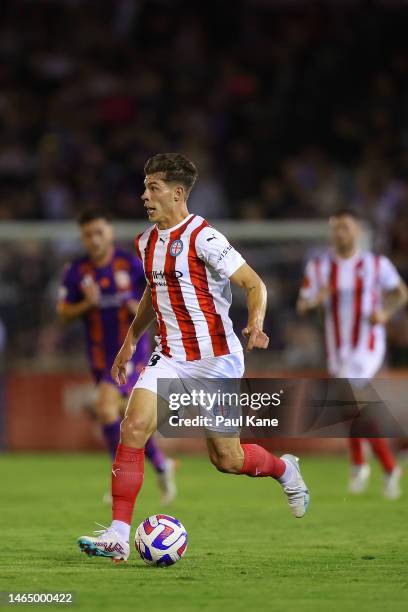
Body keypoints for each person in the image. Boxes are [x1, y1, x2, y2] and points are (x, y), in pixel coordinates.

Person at [77, 153, 310, 563]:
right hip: (169, 356)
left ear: (178, 193)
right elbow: (155, 290)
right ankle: (117, 533)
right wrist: (131, 339)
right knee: (132, 428)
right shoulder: (145, 242)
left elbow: (254, 284)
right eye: (145, 187)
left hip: (216, 360)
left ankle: (284, 470)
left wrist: (255, 324)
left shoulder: (205, 237)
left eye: (154, 188)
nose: (144, 196)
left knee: (227, 459)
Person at [57, 209, 177, 504]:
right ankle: (162, 464)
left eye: (99, 232)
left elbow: (158, 299)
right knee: (130, 421)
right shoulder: (76, 271)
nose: (94, 239)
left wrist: (135, 308)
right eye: (88, 234)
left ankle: (121, 475)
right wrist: (86, 304)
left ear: (109, 232)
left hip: (133, 353)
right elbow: (63, 314)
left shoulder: (131, 265)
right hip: (99, 358)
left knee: (104, 407)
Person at [297, 208, 408, 498]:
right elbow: (302, 305)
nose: (340, 233)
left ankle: (365, 463)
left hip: (367, 345)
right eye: (336, 228)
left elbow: (401, 293)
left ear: (357, 231)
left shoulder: (375, 264)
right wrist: (316, 301)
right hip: (338, 349)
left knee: (354, 399)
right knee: (351, 408)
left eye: (345, 227)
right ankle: (382, 464)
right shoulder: (319, 267)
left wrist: (385, 313)